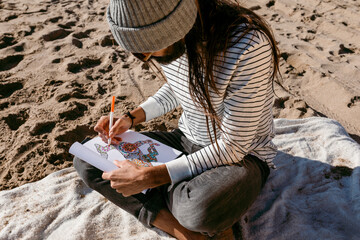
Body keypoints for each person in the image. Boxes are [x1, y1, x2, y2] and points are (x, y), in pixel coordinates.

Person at [74, 0, 280, 239]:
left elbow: (234, 147)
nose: (146, 57)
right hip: (185, 141)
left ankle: (170, 199)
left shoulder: (248, 46)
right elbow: (178, 85)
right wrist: (131, 118)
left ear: (175, 26)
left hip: (242, 157)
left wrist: (149, 177)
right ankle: (186, 232)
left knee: (197, 209)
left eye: (150, 46)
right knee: (88, 157)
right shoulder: (182, 38)